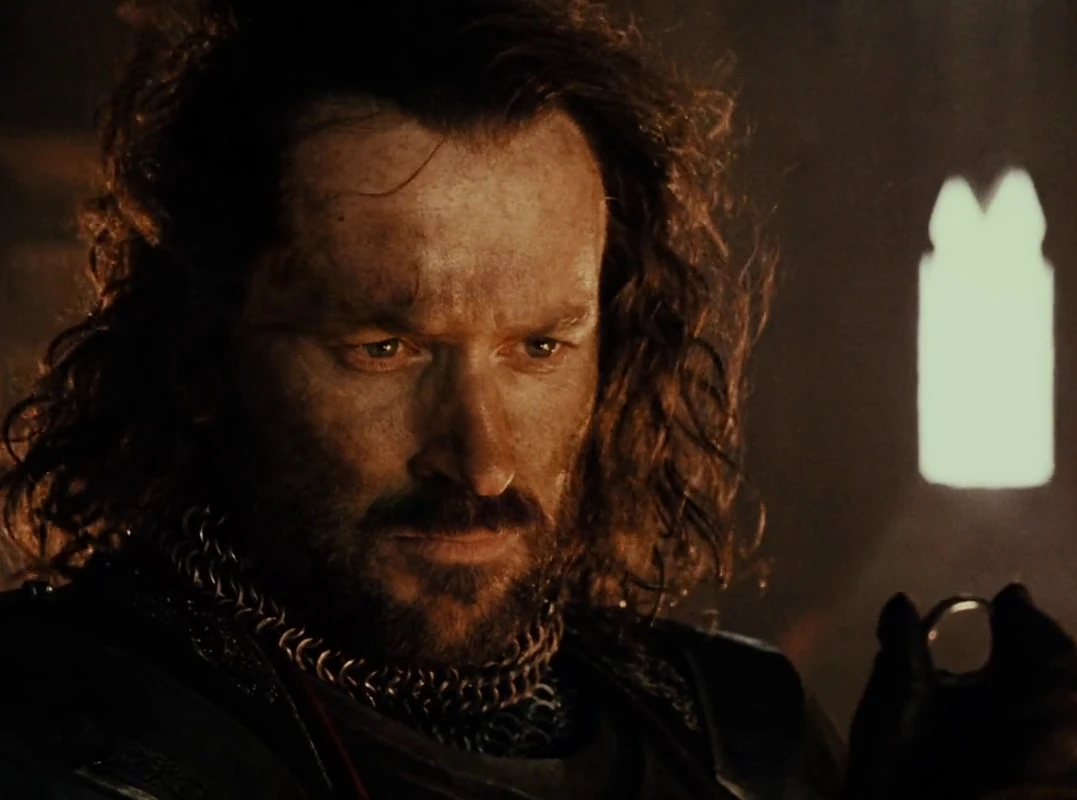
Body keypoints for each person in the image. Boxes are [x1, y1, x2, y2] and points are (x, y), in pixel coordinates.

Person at [3, 1, 1077, 798]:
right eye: (384, 347)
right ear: (200, 355)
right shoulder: (66, 738)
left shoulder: (725, 732)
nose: (482, 460)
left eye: (539, 346)